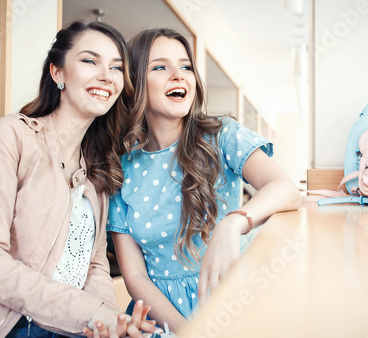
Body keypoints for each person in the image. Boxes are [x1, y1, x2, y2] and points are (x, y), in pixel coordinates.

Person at [0, 21, 156, 338]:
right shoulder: (8, 136)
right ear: (58, 73)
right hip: (12, 328)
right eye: (89, 60)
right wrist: (90, 312)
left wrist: (111, 322)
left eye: (116, 67)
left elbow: (95, 266)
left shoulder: (98, 170)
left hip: (74, 330)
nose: (106, 75)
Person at [107, 27, 301, 332]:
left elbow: (285, 188)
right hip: (164, 319)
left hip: (232, 304)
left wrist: (233, 224)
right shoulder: (121, 169)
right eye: (160, 67)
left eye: (185, 66)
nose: (178, 75)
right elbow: (135, 278)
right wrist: (187, 331)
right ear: (135, 85)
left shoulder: (222, 135)